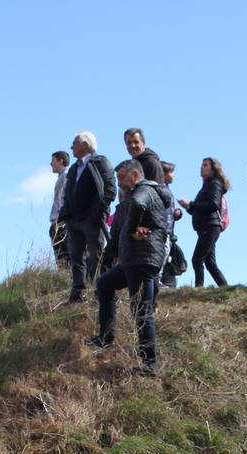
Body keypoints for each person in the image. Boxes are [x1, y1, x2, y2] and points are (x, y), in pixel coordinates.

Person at [86, 159, 169, 376]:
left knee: (142, 312)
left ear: (135, 175)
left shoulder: (144, 190)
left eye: (122, 177)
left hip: (142, 260)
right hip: (132, 260)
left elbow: (140, 205)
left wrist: (133, 229)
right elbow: (117, 235)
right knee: (104, 285)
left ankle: (149, 365)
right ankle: (106, 338)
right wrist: (106, 260)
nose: (119, 182)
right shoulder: (135, 195)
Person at [60, 131, 117, 305]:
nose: (71, 147)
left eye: (74, 143)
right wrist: (67, 214)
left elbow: (109, 191)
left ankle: (99, 291)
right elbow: (68, 192)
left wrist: (95, 214)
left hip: (92, 219)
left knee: (96, 255)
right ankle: (77, 293)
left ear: (85, 145)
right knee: (75, 256)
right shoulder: (74, 167)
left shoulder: (101, 162)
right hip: (74, 219)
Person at [180, 157, 230, 288]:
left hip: (210, 226)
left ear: (213, 170)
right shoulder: (207, 185)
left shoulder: (214, 184)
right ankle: (225, 288)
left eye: (205, 165)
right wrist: (188, 207)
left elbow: (213, 205)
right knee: (210, 262)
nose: (201, 167)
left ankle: (198, 288)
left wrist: (191, 204)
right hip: (207, 226)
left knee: (197, 259)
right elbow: (199, 209)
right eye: (202, 165)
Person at [158, 161, 184, 289]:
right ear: (164, 174)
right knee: (162, 254)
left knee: (165, 254)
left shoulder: (167, 189)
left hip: (168, 229)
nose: (174, 176)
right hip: (162, 229)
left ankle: (158, 279)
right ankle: (156, 280)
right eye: (172, 173)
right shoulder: (161, 189)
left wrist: (177, 213)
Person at [49, 150, 71, 270]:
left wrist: (60, 219)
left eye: (53, 161)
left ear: (60, 161)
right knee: (61, 255)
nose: (51, 164)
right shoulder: (62, 176)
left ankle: (67, 278)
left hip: (61, 222)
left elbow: (64, 199)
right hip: (58, 221)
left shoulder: (66, 176)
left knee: (63, 254)